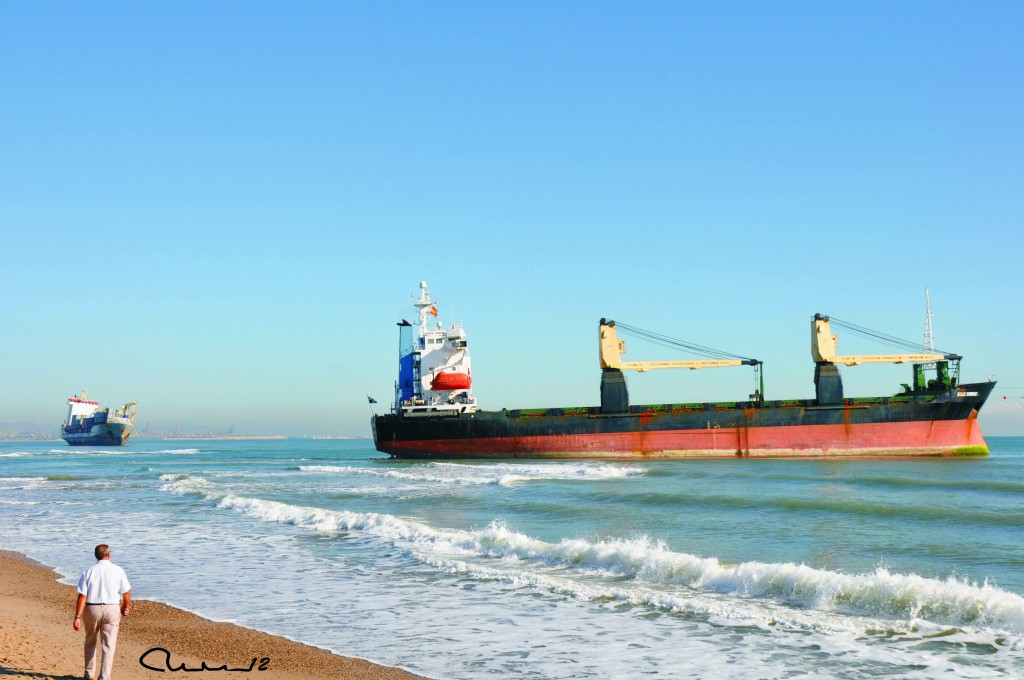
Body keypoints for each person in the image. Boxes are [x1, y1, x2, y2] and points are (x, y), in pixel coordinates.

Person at [72, 544, 131, 680]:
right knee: (108, 645)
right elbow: (126, 592)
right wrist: (125, 607)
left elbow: (82, 596)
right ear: (109, 555)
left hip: (92, 608)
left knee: (90, 641)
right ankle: (104, 676)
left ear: (95, 555)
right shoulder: (118, 570)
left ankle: (89, 674)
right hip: (112, 608)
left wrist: (77, 617)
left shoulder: (89, 571)